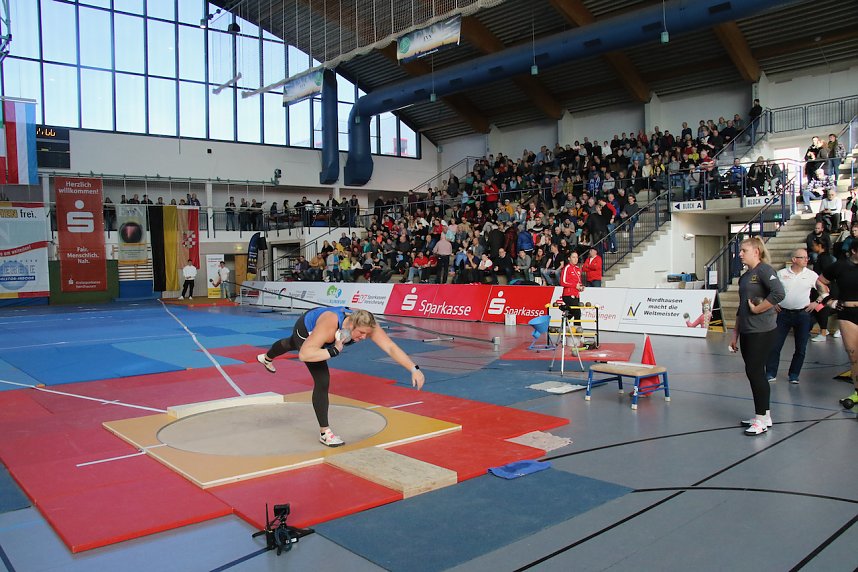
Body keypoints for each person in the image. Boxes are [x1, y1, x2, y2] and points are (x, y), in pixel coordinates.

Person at [257, 308, 425, 447]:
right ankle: (325, 433)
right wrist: (334, 350)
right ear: (351, 325)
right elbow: (304, 355)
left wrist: (413, 368)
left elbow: (390, 346)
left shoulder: (366, 323)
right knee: (322, 379)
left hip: (325, 335)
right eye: (361, 333)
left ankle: (266, 357)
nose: (364, 338)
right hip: (306, 327)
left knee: (289, 344)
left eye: (367, 334)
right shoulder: (330, 325)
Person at [730, 237, 785, 436]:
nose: (740, 254)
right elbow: (741, 306)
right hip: (746, 331)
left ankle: (761, 419)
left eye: (744, 250)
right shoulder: (745, 277)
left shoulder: (764, 270)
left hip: (761, 331)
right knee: (754, 372)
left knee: (755, 373)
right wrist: (735, 334)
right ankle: (765, 415)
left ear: (756, 251)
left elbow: (779, 294)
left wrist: (759, 309)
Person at [765, 249, 819, 384]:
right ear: (794, 259)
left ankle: (794, 374)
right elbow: (771, 290)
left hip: (803, 315)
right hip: (783, 314)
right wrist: (773, 303)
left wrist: (816, 303)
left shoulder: (812, 275)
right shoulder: (781, 274)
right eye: (803, 257)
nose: (807, 260)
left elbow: (826, 292)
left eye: (807, 257)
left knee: (801, 347)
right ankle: (770, 373)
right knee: (775, 345)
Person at [817, 241, 858, 407]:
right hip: (847, 314)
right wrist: (829, 301)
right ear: (854, 251)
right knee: (854, 357)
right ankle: (857, 392)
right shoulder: (839, 266)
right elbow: (820, 282)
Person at [559, 251, 584, 327]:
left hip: (576, 295)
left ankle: (564, 330)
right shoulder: (567, 268)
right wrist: (574, 285)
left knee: (571, 313)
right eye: (573, 257)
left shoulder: (577, 269)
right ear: (569, 258)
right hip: (568, 295)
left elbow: (579, 282)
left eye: (577, 257)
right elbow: (562, 282)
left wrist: (581, 287)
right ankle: (578, 335)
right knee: (577, 312)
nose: (576, 259)